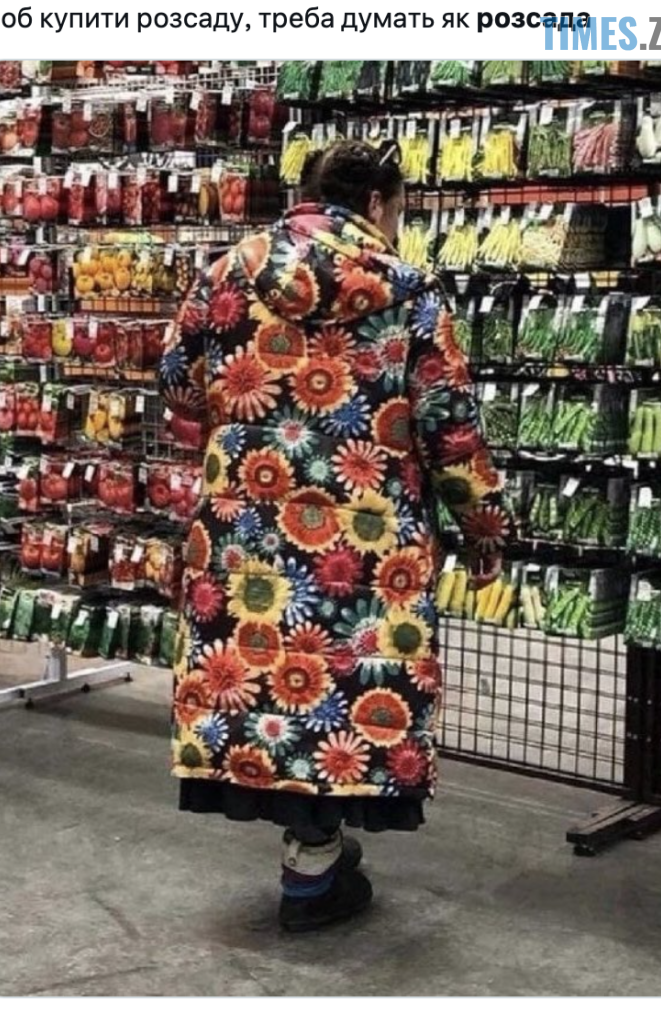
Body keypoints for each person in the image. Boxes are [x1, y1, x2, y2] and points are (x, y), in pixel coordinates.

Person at [159, 140, 509, 932]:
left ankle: (310, 853)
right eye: (399, 211)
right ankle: (313, 864)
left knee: (263, 674)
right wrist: (483, 527)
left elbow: (177, 383)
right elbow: (448, 426)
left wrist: (241, 431)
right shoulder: (410, 291)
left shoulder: (225, 273)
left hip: (245, 528)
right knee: (346, 683)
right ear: (376, 205)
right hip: (367, 538)